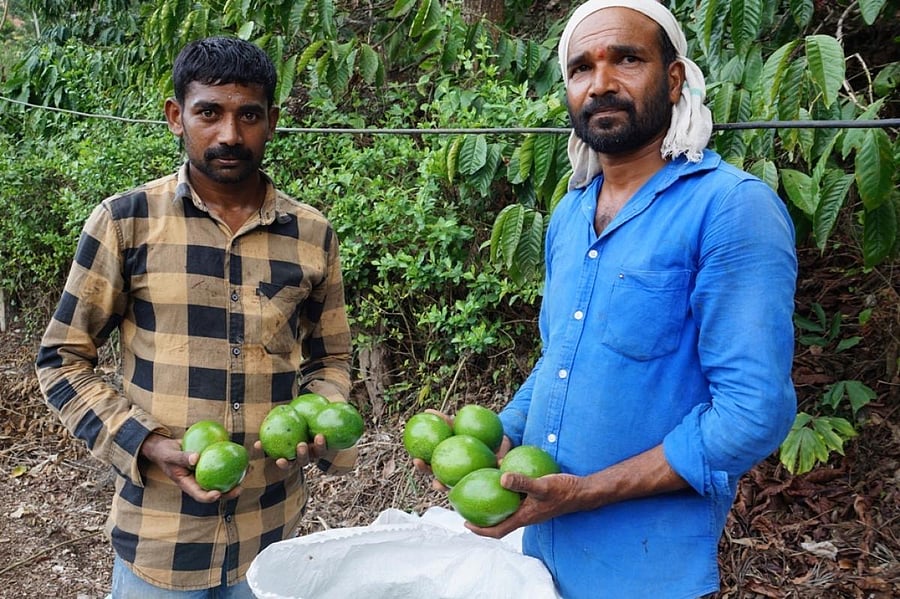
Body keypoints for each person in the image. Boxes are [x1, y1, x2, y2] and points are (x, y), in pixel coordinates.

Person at [420, 1, 798, 597]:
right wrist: (500, 434)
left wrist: (589, 490)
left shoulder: (730, 209)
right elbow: (558, 355)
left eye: (627, 59)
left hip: (645, 574)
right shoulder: (569, 214)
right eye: (581, 68)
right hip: (538, 557)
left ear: (673, 80)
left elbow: (754, 411)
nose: (601, 83)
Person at [35, 36, 355, 597]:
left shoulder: (311, 235)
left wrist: (325, 415)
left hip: (272, 540)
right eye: (209, 112)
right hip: (160, 539)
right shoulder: (125, 222)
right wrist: (144, 441)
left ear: (272, 121)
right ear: (176, 117)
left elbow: (331, 358)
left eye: (248, 115)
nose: (230, 134)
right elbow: (61, 360)